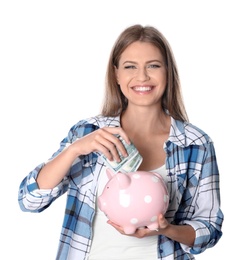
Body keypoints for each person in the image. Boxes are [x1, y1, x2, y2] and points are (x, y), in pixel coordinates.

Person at [18, 24, 224, 260]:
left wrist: (167, 229)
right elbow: (29, 200)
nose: (142, 77)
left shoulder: (196, 143)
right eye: (130, 67)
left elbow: (209, 228)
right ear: (116, 74)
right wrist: (75, 149)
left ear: (168, 72)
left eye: (153, 66)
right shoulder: (89, 132)